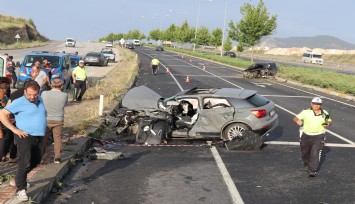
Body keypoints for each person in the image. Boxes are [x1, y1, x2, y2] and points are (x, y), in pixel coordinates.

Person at [0, 80, 46, 201]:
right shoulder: (19, 102)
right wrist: (15, 130)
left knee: (36, 160)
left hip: (39, 136)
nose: (32, 97)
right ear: (24, 91)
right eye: (29, 94)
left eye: (34, 95)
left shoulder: (40, 99)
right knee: (24, 162)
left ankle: (19, 179)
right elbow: (2, 114)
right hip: (24, 136)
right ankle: (20, 189)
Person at [293, 97, 332, 177]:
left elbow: (329, 121)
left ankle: (312, 170)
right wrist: (298, 121)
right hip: (306, 135)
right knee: (305, 152)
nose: (316, 106)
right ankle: (306, 162)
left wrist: (327, 123)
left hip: (319, 136)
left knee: (315, 152)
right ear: (311, 104)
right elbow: (295, 118)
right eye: (315, 104)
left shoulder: (325, 113)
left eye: (318, 104)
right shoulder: (305, 112)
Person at [41, 79, 68, 163]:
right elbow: (64, 104)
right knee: (57, 138)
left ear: (51, 85)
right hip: (58, 119)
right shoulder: (64, 95)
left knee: (43, 139)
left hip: (45, 119)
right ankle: (57, 157)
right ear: (62, 86)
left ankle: (40, 156)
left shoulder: (44, 93)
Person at [0, 88, 10, 162]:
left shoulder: (4, 99)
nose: (4, 95)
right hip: (1, 127)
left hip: (5, 125)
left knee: (6, 141)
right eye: (3, 94)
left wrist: (4, 106)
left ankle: (3, 155)